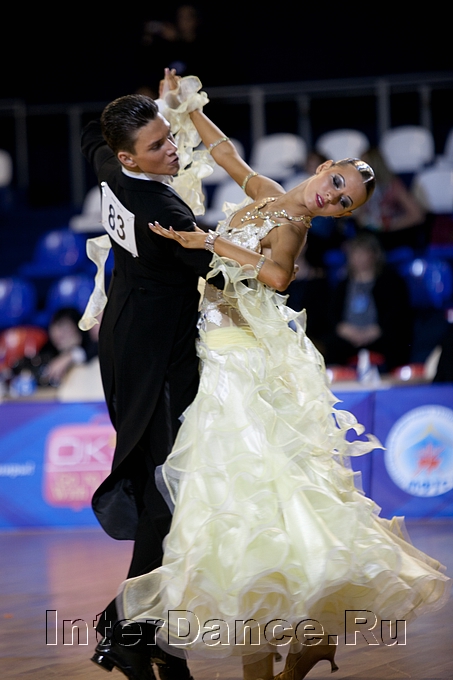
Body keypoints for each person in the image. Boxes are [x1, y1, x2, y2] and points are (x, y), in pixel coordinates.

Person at [113, 72, 450, 680]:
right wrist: (189, 107)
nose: (333, 199)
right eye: (337, 183)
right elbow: (226, 155)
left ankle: (290, 637)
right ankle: (299, 638)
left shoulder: (292, 228)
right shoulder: (268, 194)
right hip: (218, 345)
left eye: (345, 203)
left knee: (249, 491)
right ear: (324, 167)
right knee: (245, 497)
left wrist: (210, 241)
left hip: (238, 355)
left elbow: (276, 278)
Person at [80, 78, 225, 680]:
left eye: (169, 138)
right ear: (130, 158)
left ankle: (157, 637)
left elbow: (92, 136)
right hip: (159, 359)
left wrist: (162, 108)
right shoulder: (165, 212)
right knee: (169, 493)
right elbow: (223, 272)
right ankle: (126, 629)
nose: (173, 148)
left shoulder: (109, 171)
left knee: (166, 489)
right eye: (159, 144)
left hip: (124, 341)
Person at [322, 232, 413, 373]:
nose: (358, 258)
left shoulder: (391, 281)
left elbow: (397, 313)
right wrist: (344, 329)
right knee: (330, 345)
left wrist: (376, 330)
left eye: (363, 253)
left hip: (379, 334)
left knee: (394, 343)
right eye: (355, 253)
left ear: (374, 255)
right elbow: (332, 314)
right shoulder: (343, 284)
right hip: (348, 335)